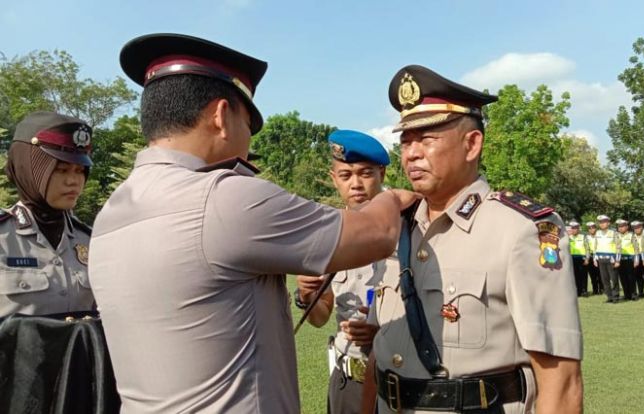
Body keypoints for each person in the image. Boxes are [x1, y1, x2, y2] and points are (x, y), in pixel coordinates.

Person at [88, 33, 418, 414]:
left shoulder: (109, 215)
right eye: (249, 124)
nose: (248, 142)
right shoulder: (224, 198)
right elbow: (376, 234)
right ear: (221, 116)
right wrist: (391, 197)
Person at [366, 65, 583, 414]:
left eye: (427, 138)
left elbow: (561, 380)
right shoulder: (398, 227)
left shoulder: (520, 230)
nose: (411, 153)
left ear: (471, 144)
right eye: (406, 141)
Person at [295, 130, 390, 414]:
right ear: (334, 177)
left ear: (382, 174)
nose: (356, 184)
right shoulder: (328, 234)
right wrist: (308, 293)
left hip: (395, 378)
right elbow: (320, 317)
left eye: (365, 173)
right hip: (346, 380)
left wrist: (383, 333)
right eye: (346, 175)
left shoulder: (409, 229)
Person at [1, 111, 94, 318]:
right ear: (30, 169)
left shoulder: (90, 240)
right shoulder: (3, 239)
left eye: (80, 171)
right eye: (61, 170)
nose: (73, 181)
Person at [593, 215, 621, 303]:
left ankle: (615, 296)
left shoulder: (614, 233)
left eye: (604, 222)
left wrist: (618, 260)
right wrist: (594, 258)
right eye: (600, 222)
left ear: (608, 223)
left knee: (614, 278)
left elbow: (618, 247)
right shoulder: (597, 233)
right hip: (601, 259)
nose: (602, 224)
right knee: (604, 279)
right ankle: (609, 296)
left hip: (611, 259)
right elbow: (595, 246)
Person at [616, 219, 639, 300]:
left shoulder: (631, 235)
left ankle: (633, 294)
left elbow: (636, 248)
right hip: (619, 260)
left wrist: (636, 260)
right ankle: (626, 294)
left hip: (630, 259)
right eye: (619, 227)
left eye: (622, 226)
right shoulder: (616, 235)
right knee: (622, 278)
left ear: (627, 227)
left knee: (631, 277)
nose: (620, 228)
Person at [568, 221, 590, 297]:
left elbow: (587, 248)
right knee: (575, 276)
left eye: (575, 228)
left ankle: (584, 291)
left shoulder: (583, 236)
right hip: (572, 259)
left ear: (578, 229)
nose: (574, 230)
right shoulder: (568, 237)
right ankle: (577, 291)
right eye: (572, 228)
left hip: (582, 258)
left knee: (583, 275)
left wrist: (587, 258)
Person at [631, 221, 644, 297]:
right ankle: (641, 292)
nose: (636, 229)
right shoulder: (632, 236)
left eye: (638, 227)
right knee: (638, 276)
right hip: (636, 257)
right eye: (635, 228)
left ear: (641, 227)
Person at [586, 221, 603, 294]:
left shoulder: (599, 236)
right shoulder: (586, 237)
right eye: (589, 228)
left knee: (600, 274)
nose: (591, 229)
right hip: (590, 256)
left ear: (595, 228)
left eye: (593, 228)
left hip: (599, 256)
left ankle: (602, 289)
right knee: (592, 275)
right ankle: (595, 290)